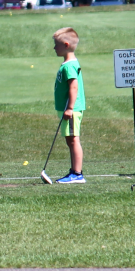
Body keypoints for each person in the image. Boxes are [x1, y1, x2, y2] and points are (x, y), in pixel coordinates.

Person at [52, 27, 85, 184]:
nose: (54, 48)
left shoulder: (69, 66)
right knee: (70, 140)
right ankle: (74, 172)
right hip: (68, 109)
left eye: (56, 44)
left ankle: (77, 174)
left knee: (73, 140)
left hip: (71, 109)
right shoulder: (67, 64)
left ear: (65, 45)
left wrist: (70, 108)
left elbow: (73, 86)